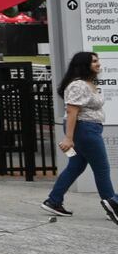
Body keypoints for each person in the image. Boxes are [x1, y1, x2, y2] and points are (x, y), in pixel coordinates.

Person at [40, 51, 118, 222]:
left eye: (98, 60)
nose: (98, 64)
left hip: (87, 130)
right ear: (84, 65)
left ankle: (54, 201)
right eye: (94, 61)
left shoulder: (88, 83)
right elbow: (71, 111)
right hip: (85, 131)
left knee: (75, 167)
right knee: (102, 169)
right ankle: (113, 205)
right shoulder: (78, 85)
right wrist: (69, 138)